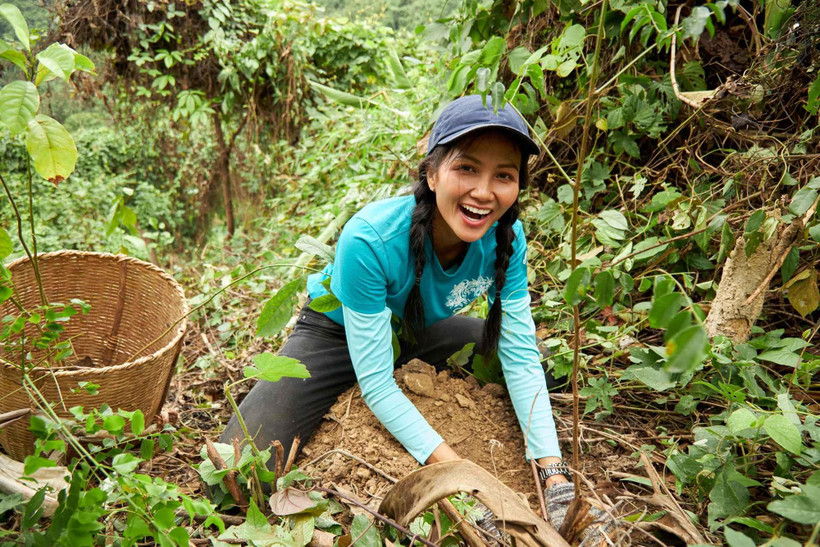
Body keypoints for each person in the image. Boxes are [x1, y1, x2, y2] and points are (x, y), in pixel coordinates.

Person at [220, 94, 592, 536]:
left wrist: (553, 473)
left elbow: (519, 353)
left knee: (542, 365)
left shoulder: (507, 237)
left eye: (504, 176)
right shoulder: (370, 238)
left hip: (415, 332)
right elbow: (377, 382)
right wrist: (466, 479)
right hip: (336, 334)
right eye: (466, 168)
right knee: (239, 469)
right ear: (432, 173)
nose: (483, 192)